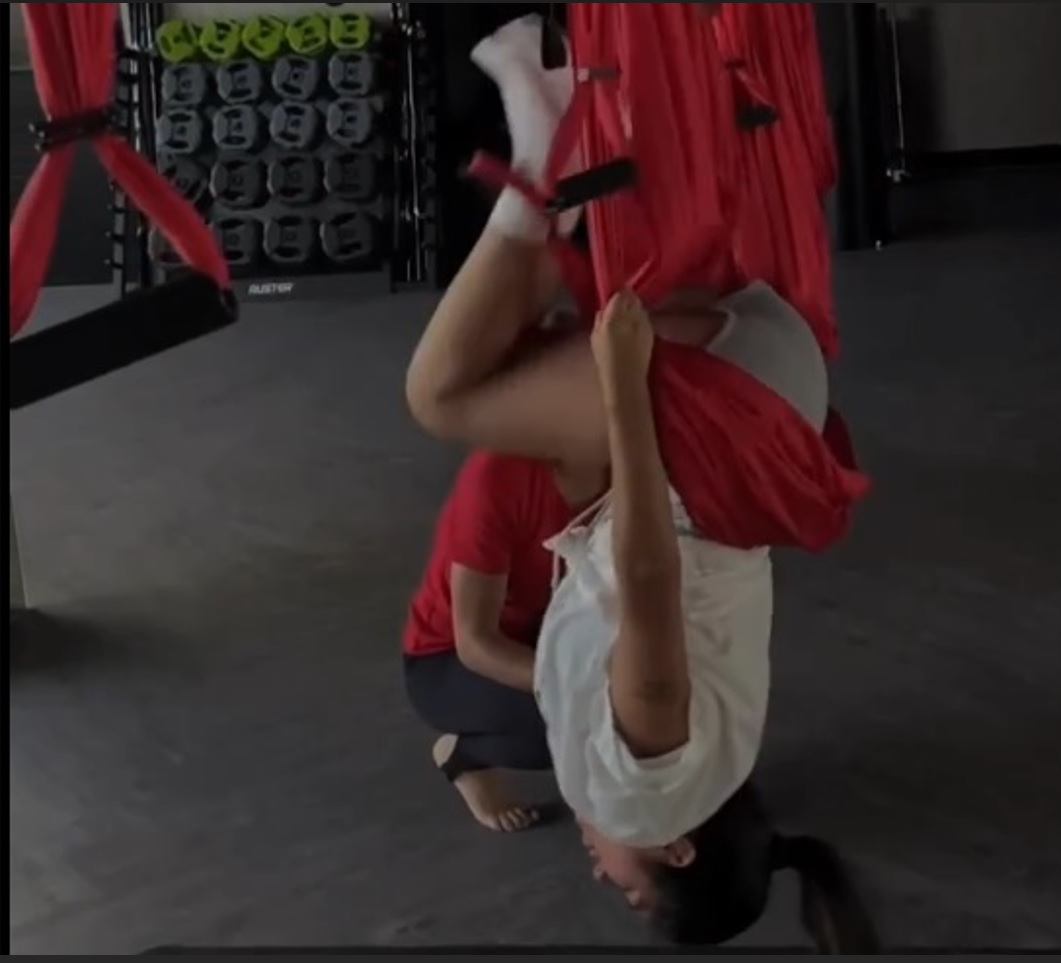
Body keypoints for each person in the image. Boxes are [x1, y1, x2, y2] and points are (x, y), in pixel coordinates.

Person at [405, 13, 876, 950]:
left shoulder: (719, 769)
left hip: (773, 399)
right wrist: (623, 379)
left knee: (508, 367)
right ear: (676, 851)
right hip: (721, 425)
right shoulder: (646, 787)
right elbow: (650, 576)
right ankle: (541, 146)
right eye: (628, 891)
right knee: (441, 395)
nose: (599, 872)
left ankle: (547, 150)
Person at [403, 449, 604, 833]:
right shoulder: (497, 475)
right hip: (447, 657)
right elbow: (476, 642)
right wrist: (584, 690)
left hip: (549, 623)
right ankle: (465, 756)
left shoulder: (639, 463)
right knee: (576, 727)